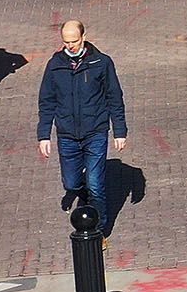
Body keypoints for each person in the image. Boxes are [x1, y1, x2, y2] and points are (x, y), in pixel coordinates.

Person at [37, 18, 129, 222]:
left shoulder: (101, 62)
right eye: (66, 42)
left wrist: (119, 131)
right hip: (67, 134)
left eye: (74, 41)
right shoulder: (55, 65)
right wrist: (43, 135)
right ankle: (82, 193)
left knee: (96, 184)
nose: (70, 46)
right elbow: (47, 101)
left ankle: (100, 230)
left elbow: (114, 96)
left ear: (84, 38)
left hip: (95, 131)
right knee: (71, 183)